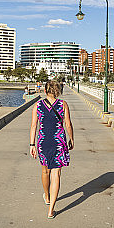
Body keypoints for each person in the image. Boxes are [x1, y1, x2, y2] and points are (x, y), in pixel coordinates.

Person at [29, 80, 74, 218]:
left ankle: (47, 196)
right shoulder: (63, 104)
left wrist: (32, 144)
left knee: (45, 171)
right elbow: (68, 124)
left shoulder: (38, 105)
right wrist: (71, 139)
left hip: (43, 142)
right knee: (56, 174)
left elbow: (33, 126)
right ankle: (51, 210)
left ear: (45, 90)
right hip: (59, 142)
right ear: (58, 91)